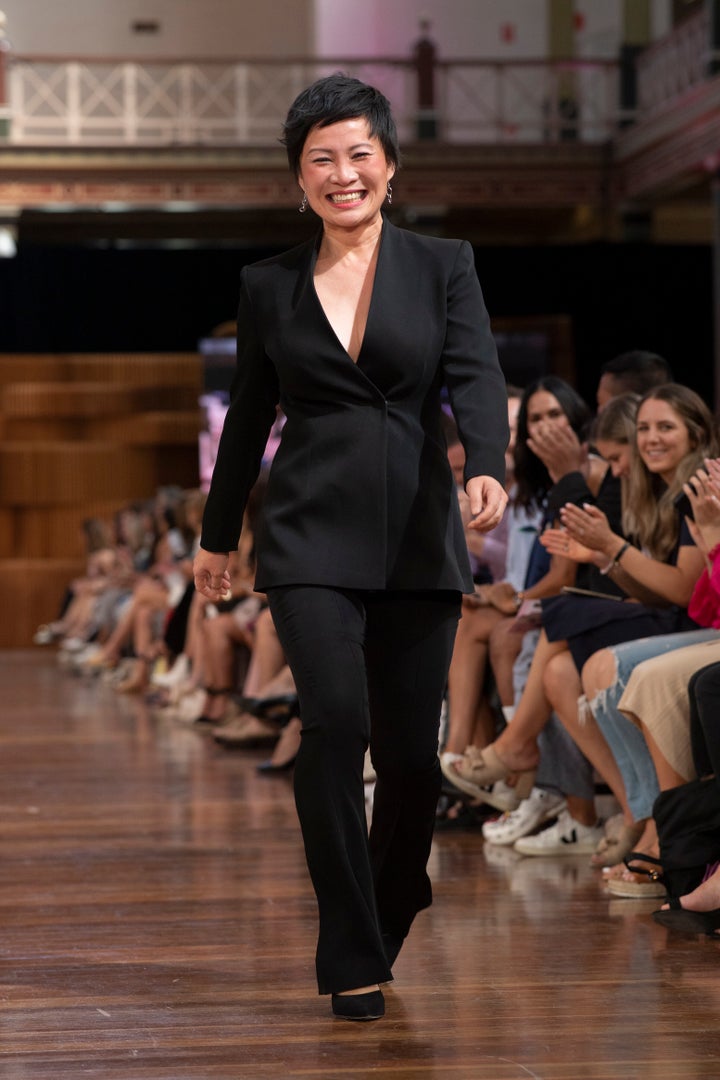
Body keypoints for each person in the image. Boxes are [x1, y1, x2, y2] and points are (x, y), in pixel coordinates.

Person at [193, 74, 509, 1021]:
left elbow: (477, 374)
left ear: (389, 165)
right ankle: (348, 945)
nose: (343, 173)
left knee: (414, 761)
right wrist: (218, 537)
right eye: (321, 159)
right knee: (336, 723)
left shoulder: (442, 262)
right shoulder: (268, 284)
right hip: (306, 536)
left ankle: (391, 893)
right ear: (299, 180)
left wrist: (487, 464)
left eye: (358, 154)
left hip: (418, 531)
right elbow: (248, 417)